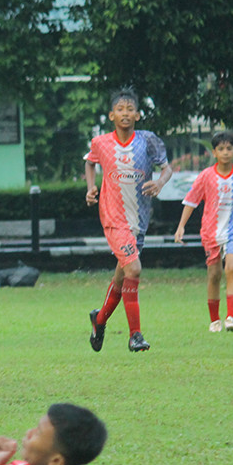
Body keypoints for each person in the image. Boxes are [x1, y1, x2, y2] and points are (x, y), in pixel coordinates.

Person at [84, 87, 173, 353]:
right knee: (134, 269)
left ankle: (99, 320)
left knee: (122, 277)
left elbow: (167, 168)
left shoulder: (148, 141)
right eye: (120, 109)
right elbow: (90, 162)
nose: (125, 113)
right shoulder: (101, 142)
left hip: (139, 220)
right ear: (112, 115)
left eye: (130, 109)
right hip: (114, 219)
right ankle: (135, 335)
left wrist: (160, 182)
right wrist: (91, 188)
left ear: (137, 114)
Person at [174, 129, 233, 332]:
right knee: (214, 274)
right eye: (221, 149)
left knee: (232, 268)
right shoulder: (206, 176)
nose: (225, 152)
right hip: (211, 233)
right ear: (214, 152)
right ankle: (215, 320)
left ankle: (231, 317)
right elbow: (191, 201)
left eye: (229, 148)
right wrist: (181, 226)